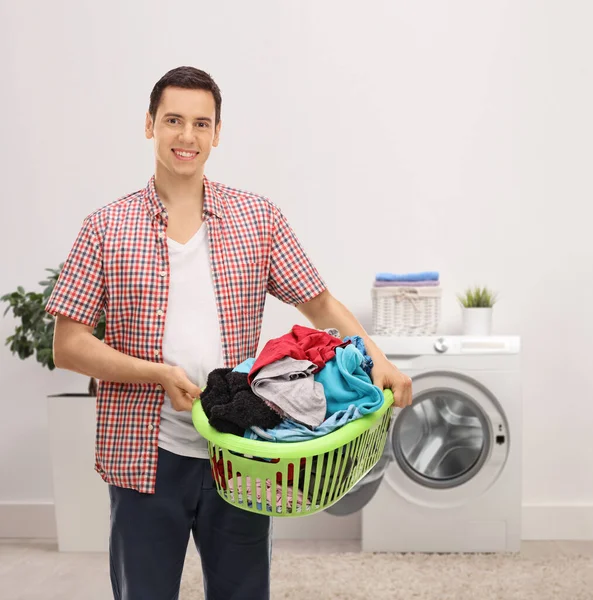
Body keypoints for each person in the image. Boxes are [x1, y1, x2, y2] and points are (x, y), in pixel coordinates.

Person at [46, 66, 412, 600]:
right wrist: (156, 374)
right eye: (173, 120)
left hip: (243, 451)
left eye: (201, 123)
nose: (187, 136)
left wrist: (379, 360)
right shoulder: (106, 227)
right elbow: (68, 344)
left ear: (217, 132)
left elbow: (320, 303)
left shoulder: (256, 218)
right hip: (145, 453)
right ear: (150, 125)